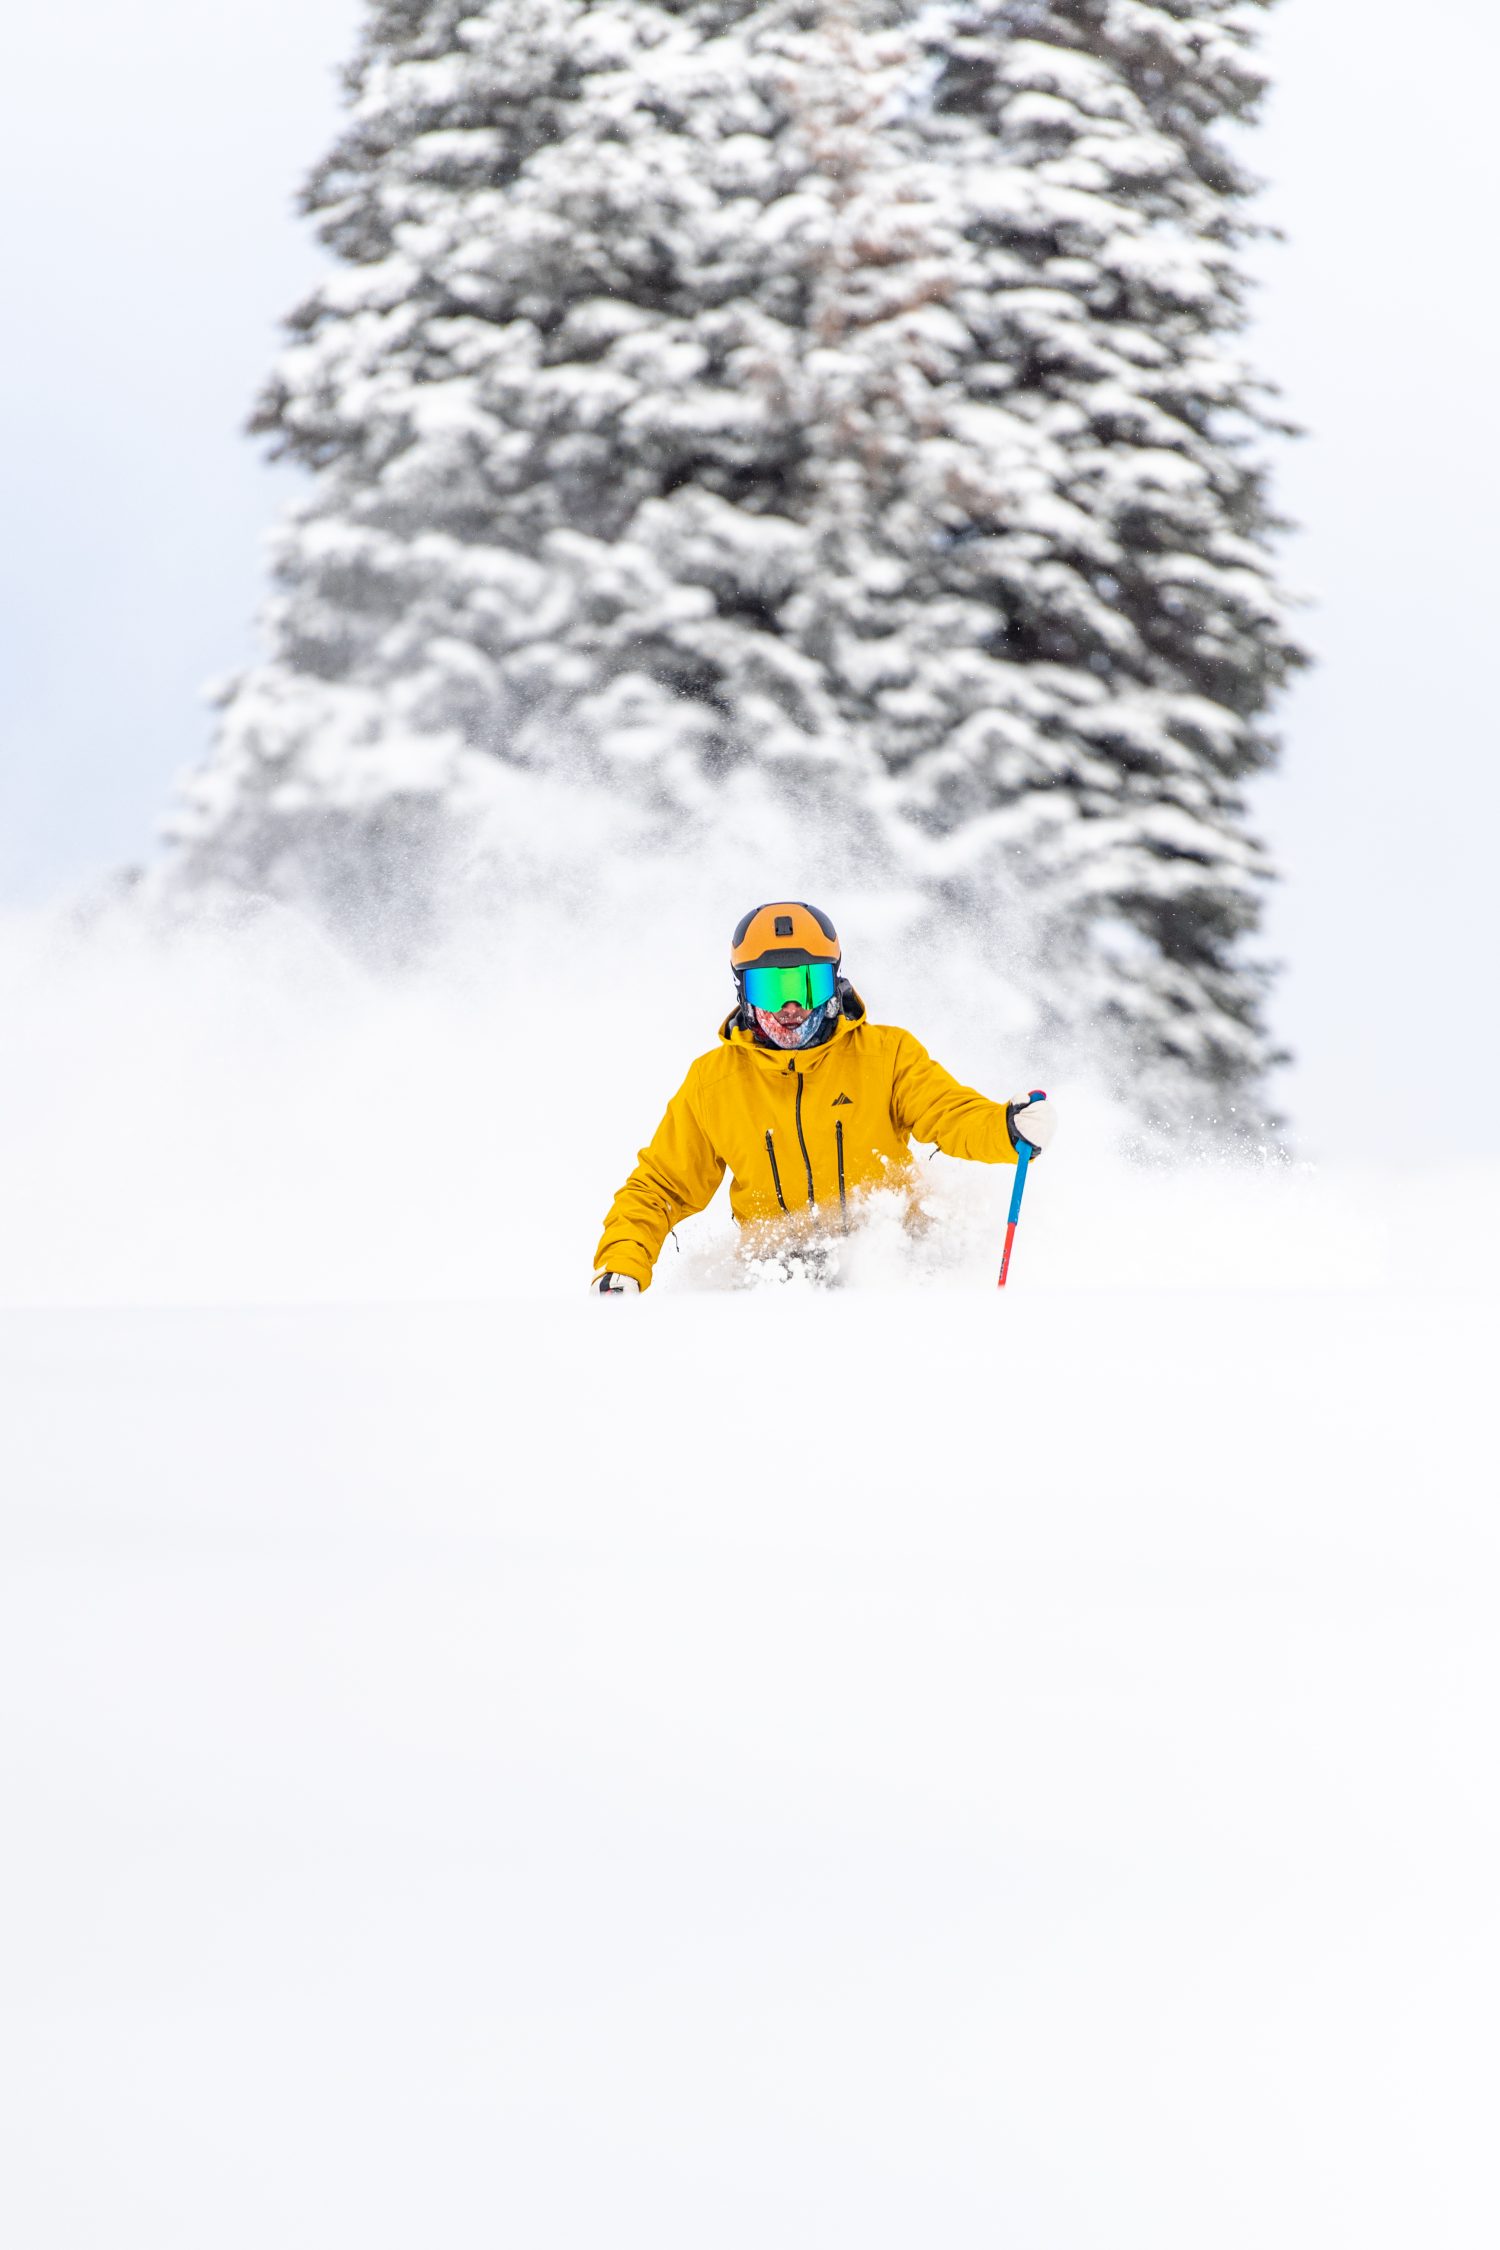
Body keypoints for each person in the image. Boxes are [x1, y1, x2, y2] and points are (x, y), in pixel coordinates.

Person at [590, 901, 1055, 1293]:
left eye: (807, 984)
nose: (790, 1007)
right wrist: (622, 1265)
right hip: (777, 1286)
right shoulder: (714, 1083)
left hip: (890, 1273)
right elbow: (660, 1187)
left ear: (833, 985)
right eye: (770, 988)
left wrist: (1005, 1127)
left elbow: (951, 1114)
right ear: (743, 993)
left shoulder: (886, 1055)